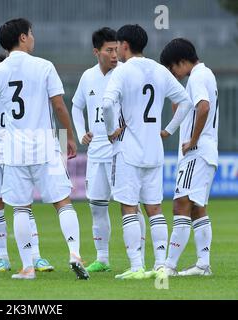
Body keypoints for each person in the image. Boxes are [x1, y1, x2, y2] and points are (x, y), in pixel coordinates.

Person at [0, 18, 89, 280]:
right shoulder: (44, 66)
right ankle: (75, 253)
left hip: (15, 150)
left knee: (21, 208)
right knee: (63, 202)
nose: (33, 37)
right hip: (45, 146)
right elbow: (58, 106)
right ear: (23, 37)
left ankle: (27, 267)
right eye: (31, 33)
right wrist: (68, 136)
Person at [102, 24, 193, 280]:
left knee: (129, 208)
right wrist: (169, 130)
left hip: (129, 149)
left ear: (125, 45)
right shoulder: (159, 70)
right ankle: (161, 264)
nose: (116, 49)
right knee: (155, 209)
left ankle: (136, 266)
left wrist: (111, 130)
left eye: (118, 45)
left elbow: (107, 104)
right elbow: (185, 101)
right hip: (154, 149)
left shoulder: (121, 72)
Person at [0, 54, 54, 272]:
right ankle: (3, 258)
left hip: (14, 152)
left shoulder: (19, 81)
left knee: (23, 204)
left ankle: (36, 257)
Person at [71, 27, 147, 273]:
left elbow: (138, 107)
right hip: (96, 153)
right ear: (97, 52)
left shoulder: (126, 73)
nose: (115, 54)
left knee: (130, 205)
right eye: (109, 50)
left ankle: (140, 260)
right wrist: (82, 130)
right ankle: (102, 258)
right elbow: (76, 106)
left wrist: (125, 126)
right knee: (96, 205)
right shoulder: (88, 77)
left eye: (117, 49)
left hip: (122, 151)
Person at [159, 38, 218, 276]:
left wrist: (192, 140)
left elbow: (203, 107)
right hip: (205, 152)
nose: (173, 74)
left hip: (197, 152)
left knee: (180, 204)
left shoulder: (196, 77)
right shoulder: (206, 74)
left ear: (181, 62)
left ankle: (169, 265)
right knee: (196, 209)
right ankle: (203, 265)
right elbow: (191, 108)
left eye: (172, 69)